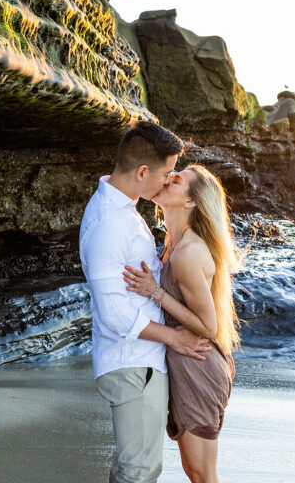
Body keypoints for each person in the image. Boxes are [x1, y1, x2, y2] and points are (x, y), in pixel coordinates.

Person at [79, 121, 212, 483]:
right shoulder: (110, 223)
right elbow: (113, 313)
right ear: (142, 172)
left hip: (141, 362)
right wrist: (175, 338)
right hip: (132, 363)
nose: (168, 180)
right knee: (139, 471)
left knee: (132, 467)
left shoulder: (124, 211)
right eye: (167, 173)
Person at [123, 164, 241, 483]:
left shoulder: (188, 252)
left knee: (203, 474)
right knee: (194, 471)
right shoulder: (172, 241)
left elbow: (208, 325)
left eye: (177, 180)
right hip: (185, 364)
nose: (167, 179)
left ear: (190, 202)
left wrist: (156, 292)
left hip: (199, 365)